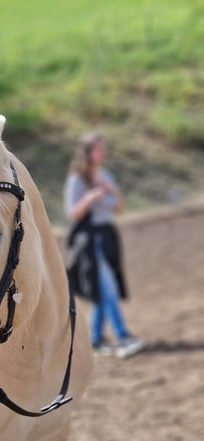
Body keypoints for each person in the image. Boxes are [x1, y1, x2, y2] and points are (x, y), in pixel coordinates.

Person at [64, 131, 145, 359]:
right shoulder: (77, 180)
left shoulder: (106, 176)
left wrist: (109, 189)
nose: (103, 152)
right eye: (98, 148)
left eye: (103, 148)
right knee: (109, 288)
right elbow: (73, 214)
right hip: (90, 240)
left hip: (108, 236)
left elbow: (119, 208)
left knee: (102, 290)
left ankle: (96, 339)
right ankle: (123, 335)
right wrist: (91, 197)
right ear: (87, 152)